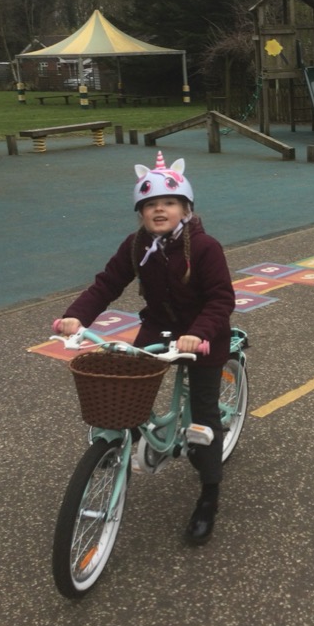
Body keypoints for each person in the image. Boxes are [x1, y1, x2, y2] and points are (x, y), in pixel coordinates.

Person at [56, 151, 236, 545]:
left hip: (204, 334)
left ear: (185, 209)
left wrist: (199, 333)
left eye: (169, 202)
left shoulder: (205, 247)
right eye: (150, 204)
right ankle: (130, 442)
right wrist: (76, 318)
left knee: (204, 417)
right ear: (140, 213)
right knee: (128, 387)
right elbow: (106, 283)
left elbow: (221, 299)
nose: (159, 210)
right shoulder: (136, 245)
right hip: (160, 326)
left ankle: (209, 495)